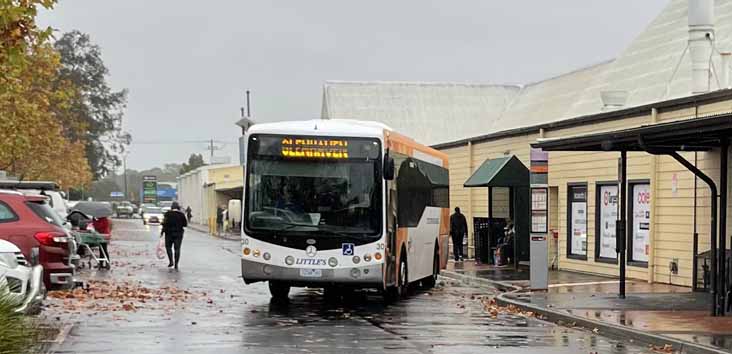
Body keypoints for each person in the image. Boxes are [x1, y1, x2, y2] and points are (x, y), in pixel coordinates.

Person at [161, 201, 188, 270]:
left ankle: (171, 261)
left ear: (172, 207)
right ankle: (176, 264)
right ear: (178, 207)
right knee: (177, 249)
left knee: (168, 247)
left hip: (169, 234)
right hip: (178, 234)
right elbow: (185, 224)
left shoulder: (167, 214)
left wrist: (162, 232)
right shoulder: (181, 215)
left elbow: (164, 223)